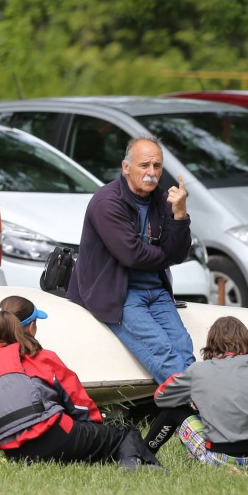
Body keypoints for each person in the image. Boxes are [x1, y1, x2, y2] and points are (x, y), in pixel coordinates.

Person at [0, 295, 161, 470]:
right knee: (125, 434)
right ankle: (138, 466)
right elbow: (79, 404)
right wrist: (95, 433)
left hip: (13, 451)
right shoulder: (40, 356)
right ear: (30, 327)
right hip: (54, 436)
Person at [68, 136, 195, 383]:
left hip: (156, 290)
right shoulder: (107, 201)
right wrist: (166, 256)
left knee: (184, 348)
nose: (151, 173)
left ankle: (195, 402)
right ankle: (196, 403)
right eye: (144, 165)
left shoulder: (163, 199)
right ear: (126, 167)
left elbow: (179, 253)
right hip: (119, 294)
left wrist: (180, 215)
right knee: (163, 353)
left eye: (157, 166)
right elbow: (131, 255)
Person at [150, 316, 248, 469]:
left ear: (211, 343)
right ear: (247, 341)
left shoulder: (197, 370)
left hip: (219, 458)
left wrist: (194, 395)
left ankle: (144, 454)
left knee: (173, 409)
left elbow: (161, 397)